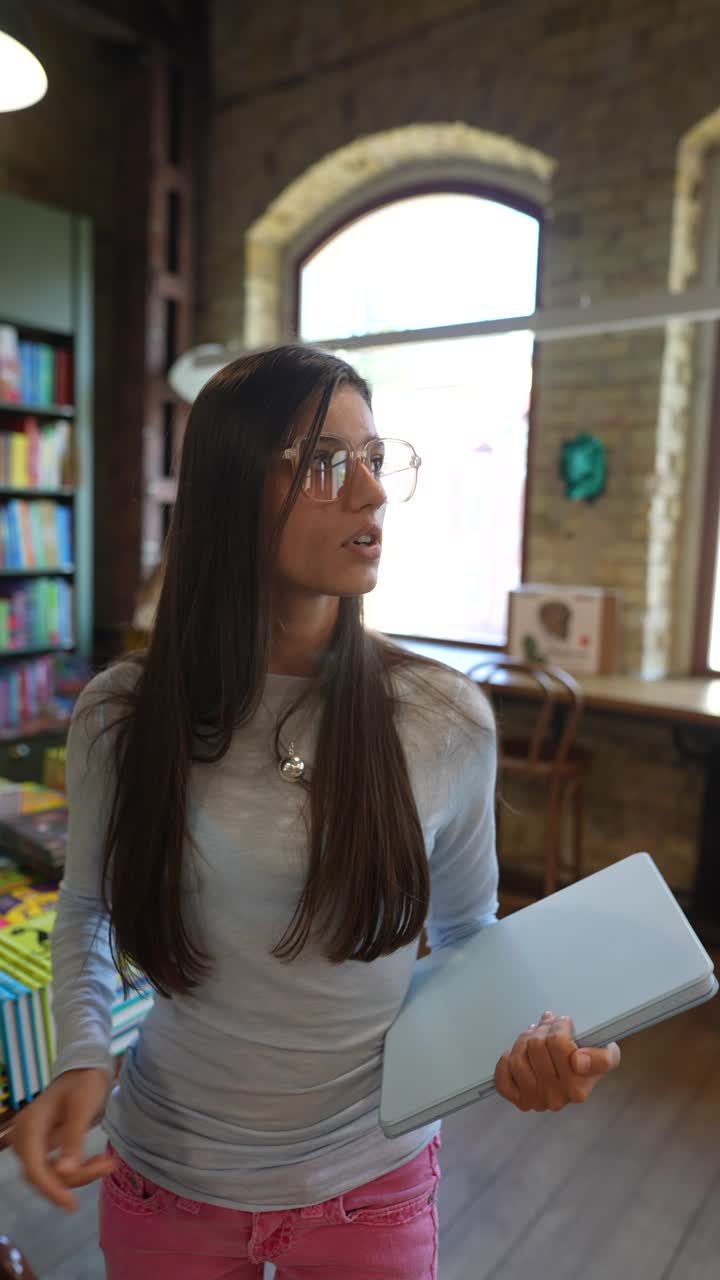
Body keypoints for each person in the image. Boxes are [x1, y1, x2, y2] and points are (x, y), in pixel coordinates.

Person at [11, 346, 621, 1279]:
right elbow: (89, 908)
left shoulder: (445, 717)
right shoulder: (124, 713)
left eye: (378, 460)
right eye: (327, 462)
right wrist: (82, 1055)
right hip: (167, 1174)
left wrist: (522, 1043)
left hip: (369, 1179)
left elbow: (467, 937)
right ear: (228, 488)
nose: (372, 494)